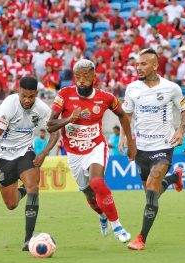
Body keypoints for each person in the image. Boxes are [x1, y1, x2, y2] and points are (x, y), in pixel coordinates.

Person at [47, 59, 136, 243]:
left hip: (96, 147)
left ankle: (117, 225)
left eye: (86, 76)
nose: (81, 80)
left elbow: (123, 116)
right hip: (73, 153)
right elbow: (50, 125)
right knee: (89, 194)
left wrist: (129, 140)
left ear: (94, 76)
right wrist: (69, 118)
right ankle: (102, 216)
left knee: (97, 183)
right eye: (78, 76)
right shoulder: (64, 94)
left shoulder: (106, 97)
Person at [120, 48, 185, 251]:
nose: (138, 68)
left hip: (164, 146)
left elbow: (184, 111)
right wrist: (124, 138)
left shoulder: (171, 88)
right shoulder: (132, 88)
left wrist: (180, 129)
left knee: (152, 188)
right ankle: (175, 178)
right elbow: (127, 116)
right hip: (141, 148)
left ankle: (141, 238)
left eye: (143, 64)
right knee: (152, 192)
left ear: (155, 65)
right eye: (137, 64)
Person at [0, 77, 59, 251]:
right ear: (18, 91)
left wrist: (44, 153)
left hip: (25, 152)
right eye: (24, 96)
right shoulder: (9, 105)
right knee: (11, 204)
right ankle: (23, 188)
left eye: (31, 97)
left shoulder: (42, 109)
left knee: (34, 188)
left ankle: (28, 239)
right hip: (4, 157)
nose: (27, 100)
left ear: (36, 94)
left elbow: (55, 134)